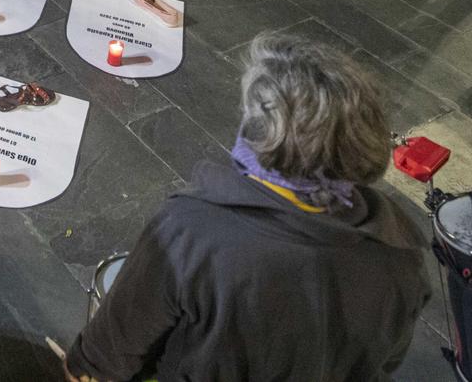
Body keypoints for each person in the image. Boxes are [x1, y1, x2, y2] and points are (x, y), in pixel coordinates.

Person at [65, 32, 430, 382]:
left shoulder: (193, 229)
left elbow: (111, 349)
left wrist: (82, 367)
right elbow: (386, 358)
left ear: (261, 134)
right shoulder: (401, 245)